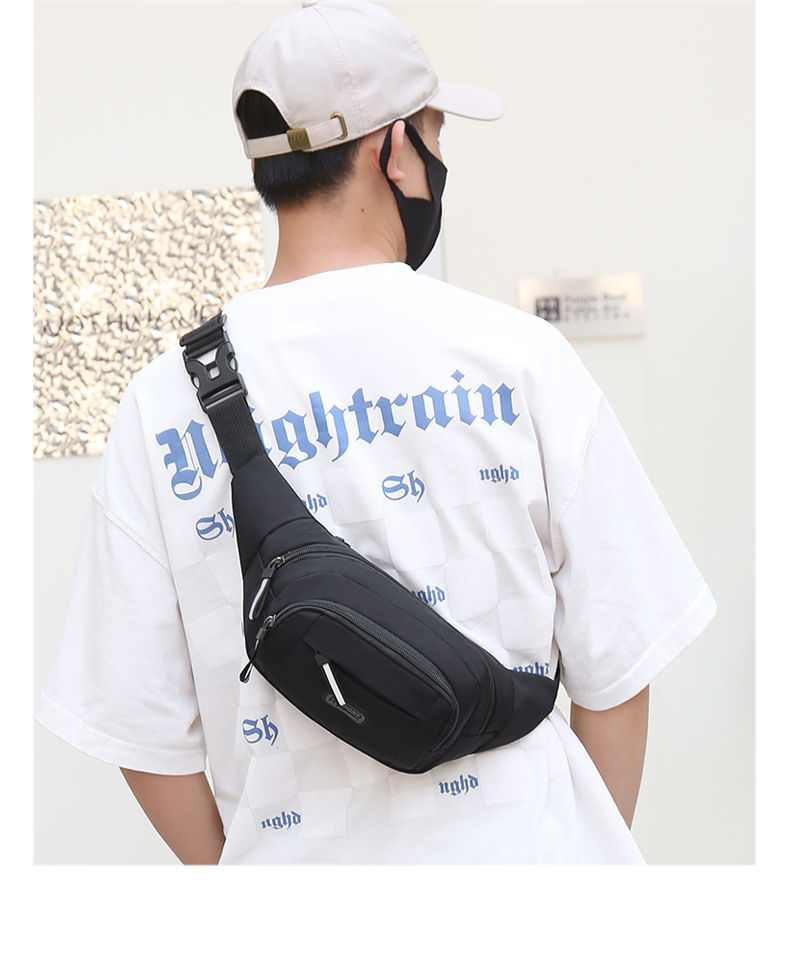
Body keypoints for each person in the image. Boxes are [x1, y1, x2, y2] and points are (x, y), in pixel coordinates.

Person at [36, 0, 717, 865]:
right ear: (393, 150)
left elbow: (139, 727)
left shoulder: (160, 403)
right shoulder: (519, 359)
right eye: (433, 136)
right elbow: (617, 668)